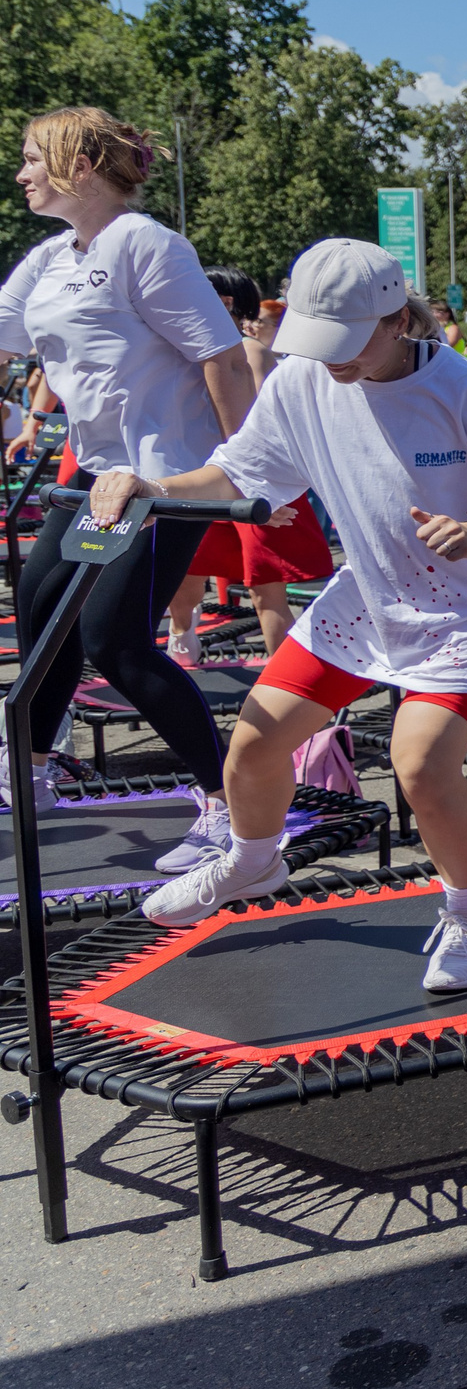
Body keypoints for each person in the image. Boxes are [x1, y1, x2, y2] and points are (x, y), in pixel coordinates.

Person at [102, 240, 467, 992]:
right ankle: (252, 860)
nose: (331, 359)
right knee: (252, 745)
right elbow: (238, 471)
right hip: (371, 594)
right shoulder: (303, 380)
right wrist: (152, 485)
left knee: (422, 768)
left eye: (349, 341)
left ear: (399, 319)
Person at [5, 107, 256, 846]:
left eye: (30, 160)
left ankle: (228, 804)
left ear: (79, 167)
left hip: (166, 473)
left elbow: (225, 357)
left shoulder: (146, 245)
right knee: (40, 611)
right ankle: (33, 766)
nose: (19, 174)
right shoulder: (51, 257)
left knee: (114, 641)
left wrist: (239, 471)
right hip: (96, 471)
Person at [179, 268, 334, 660]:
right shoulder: (189, 348)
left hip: (248, 477)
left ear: (226, 303)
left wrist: (263, 488)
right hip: (211, 476)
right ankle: (184, 644)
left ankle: (284, 681)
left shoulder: (249, 351)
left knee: (265, 588)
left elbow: (262, 422)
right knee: (189, 572)